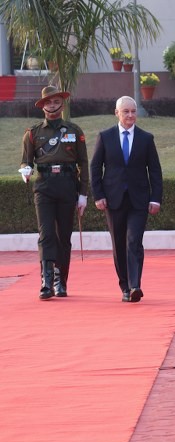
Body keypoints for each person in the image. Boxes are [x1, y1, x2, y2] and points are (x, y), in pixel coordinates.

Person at [90, 96, 163, 303]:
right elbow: (95, 168)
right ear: (117, 113)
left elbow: (155, 171)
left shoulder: (146, 138)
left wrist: (156, 198)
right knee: (119, 243)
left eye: (133, 111)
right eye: (126, 112)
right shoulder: (105, 137)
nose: (130, 115)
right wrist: (98, 195)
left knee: (133, 241)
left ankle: (135, 286)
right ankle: (124, 285)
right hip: (113, 200)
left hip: (139, 200)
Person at [20, 86, 89, 300]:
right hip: (44, 187)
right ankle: (46, 281)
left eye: (56, 100)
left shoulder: (74, 131)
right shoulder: (33, 133)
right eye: (48, 102)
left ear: (62, 103)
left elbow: (83, 163)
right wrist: (25, 169)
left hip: (68, 185)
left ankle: (61, 281)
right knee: (46, 234)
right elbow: (26, 159)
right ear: (42, 106)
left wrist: (83, 194)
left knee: (64, 237)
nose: (52, 104)